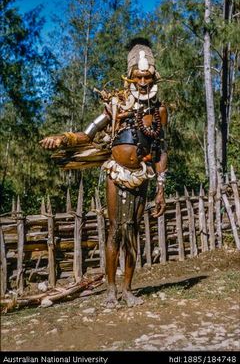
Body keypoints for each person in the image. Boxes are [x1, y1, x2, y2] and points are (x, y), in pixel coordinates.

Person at [40, 38, 168, 308]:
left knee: (133, 233)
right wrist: (61, 138)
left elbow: (161, 149)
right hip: (117, 174)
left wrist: (161, 188)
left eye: (147, 76)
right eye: (138, 76)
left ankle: (128, 290)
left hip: (142, 176)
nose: (143, 82)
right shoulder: (115, 106)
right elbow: (87, 134)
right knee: (115, 232)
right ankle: (111, 291)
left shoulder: (159, 111)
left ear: (153, 76)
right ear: (130, 77)